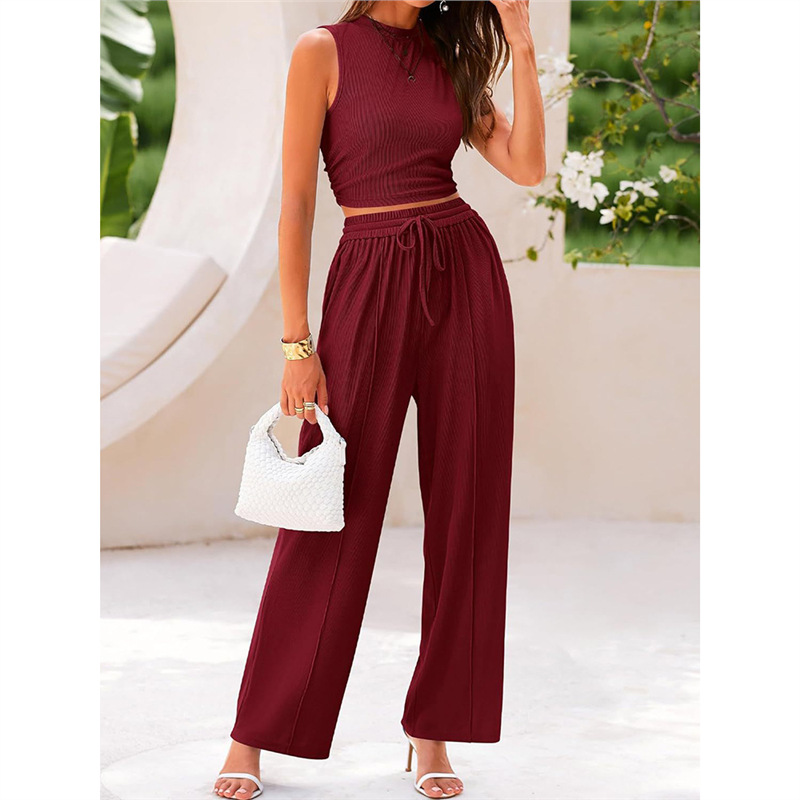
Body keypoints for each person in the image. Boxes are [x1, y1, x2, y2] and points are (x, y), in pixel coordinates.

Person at [214, 1, 545, 797]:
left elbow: (527, 165)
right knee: (331, 508)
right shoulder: (322, 51)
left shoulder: (449, 55)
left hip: (464, 275)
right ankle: (253, 734)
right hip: (368, 279)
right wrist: (297, 343)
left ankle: (433, 733)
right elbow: (298, 203)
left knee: (468, 509)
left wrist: (522, 43)